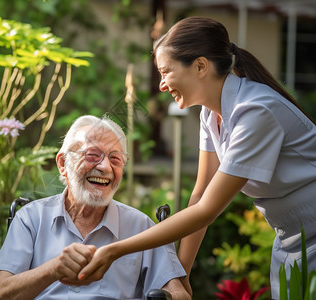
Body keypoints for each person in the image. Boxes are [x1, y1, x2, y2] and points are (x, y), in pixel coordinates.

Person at [77, 17, 316, 299]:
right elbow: (200, 194)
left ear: (201, 66)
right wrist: (181, 274)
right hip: (291, 240)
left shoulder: (256, 111)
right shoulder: (210, 114)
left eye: (166, 72)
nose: (162, 85)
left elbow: (208, 210)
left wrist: (115, 249)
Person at [0, 115, 190, 300]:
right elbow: (0, 294)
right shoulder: (31, 218)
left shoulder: (142, 227)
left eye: (115, 159)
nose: (105, 167)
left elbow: (177, 293)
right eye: (92, 155)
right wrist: (53, 270)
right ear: (62, 164)